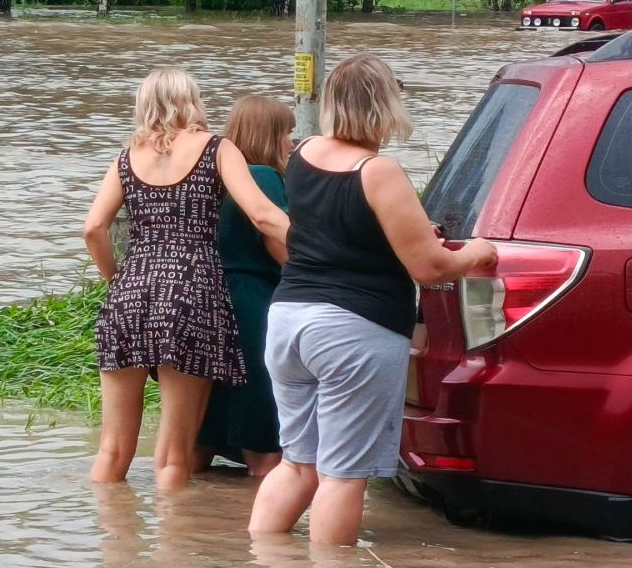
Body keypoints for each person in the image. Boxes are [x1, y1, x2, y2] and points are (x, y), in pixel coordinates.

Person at [247, 53, 497, 545]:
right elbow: (429, 267)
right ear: (383, 105)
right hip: (352, 331)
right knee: (342, 474)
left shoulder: (304, 153)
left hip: (289, 320)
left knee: (299, 463)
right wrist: (475, 254)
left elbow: (336, 228)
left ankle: (260, 554)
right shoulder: (378, 172)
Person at [83, 68, 291, 491]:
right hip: (192, 296)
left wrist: (117, 281)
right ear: (190, 102)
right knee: (174, 457)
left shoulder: (126, 158)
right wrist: (325, 249)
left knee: (112, 449)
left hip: (130, 292)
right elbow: (262, 214)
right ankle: (175, 547)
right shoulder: (216, 149)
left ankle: (110, 542)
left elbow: (93, 228)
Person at [194, 96, 294, 477]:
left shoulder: (207, 176)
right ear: (269, 136)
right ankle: (255, 531)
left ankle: (186, 523)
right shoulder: (264, 177)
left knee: (198, 440)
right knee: (263, 447)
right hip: (252, 300)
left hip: (207, 298)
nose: (290, 142)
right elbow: (281, 249)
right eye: (286, 133)